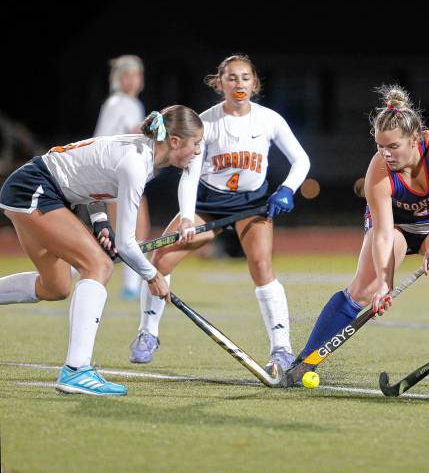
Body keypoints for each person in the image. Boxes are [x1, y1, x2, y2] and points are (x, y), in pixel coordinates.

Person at [287, 84, 429, 383]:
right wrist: (382, 282)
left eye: (393, 147)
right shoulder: (378, 171)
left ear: (415, 139)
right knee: (364, 290)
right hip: (396, 228)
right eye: (380, 146)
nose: (385, 154)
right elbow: (382, 233)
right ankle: (307, 359)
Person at [0, 105, 203, 396]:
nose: (197, 152)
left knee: (55, 286)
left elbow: (88, 181)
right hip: (36, 189)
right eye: (195, 144)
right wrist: (152, 275)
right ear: (175, 142)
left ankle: (75, 370)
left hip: (36, 188)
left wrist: (101, 222)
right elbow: (126, 244)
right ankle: (76, 370)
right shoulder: (136, 163)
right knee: (99, 266)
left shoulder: (140, 154)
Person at [129, 54, 310, 372]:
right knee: (162, 258)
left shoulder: (270, 120)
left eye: (244, 78)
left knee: (261, 265)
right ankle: (147, 334)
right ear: (219, 83)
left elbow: (301, 161)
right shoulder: (206, 123)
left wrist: (287, 190)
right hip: (210, 204)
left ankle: (282, 349)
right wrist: (186, 216)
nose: (238, 84)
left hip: (253, 204)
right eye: (231, 78)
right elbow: (189, 173)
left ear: (254, 83)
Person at [94, 55, 150, 301]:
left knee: (125, 230)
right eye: (126, 75)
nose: (131, 80)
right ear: (117, 79)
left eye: (136, 75)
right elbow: (135, 131)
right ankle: (130, 286)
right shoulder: (123, 103)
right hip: (116, 171)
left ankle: (131, 285)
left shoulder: (118, 102)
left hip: (116, 171)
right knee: (126, 231)